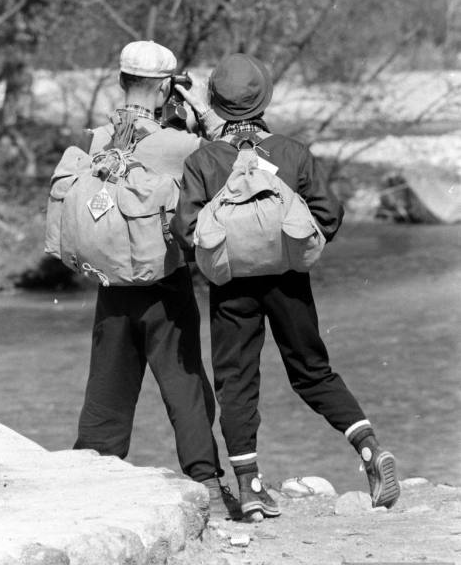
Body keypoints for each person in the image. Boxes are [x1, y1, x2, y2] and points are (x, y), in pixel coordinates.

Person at [170, 53, 401, 519]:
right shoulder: (292, 152)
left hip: (232, 287)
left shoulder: (205, 159)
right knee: (313, 373)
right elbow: (329, 216)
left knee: (237, 383)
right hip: (291, 284)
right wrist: (291, 245)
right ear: (264, 100)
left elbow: (186, 229)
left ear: (214, 100)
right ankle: (371, 451)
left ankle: (250, 489)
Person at [73, 40, 238, 517]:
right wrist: (201, 113)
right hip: (163, 285)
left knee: (107, 385)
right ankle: (206, 483)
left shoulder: (100, 140)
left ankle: (90, 481)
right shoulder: (178, 144)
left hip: (110, 284)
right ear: (167, 86)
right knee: (183, 382)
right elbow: (231, 161)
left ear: (122, 80)